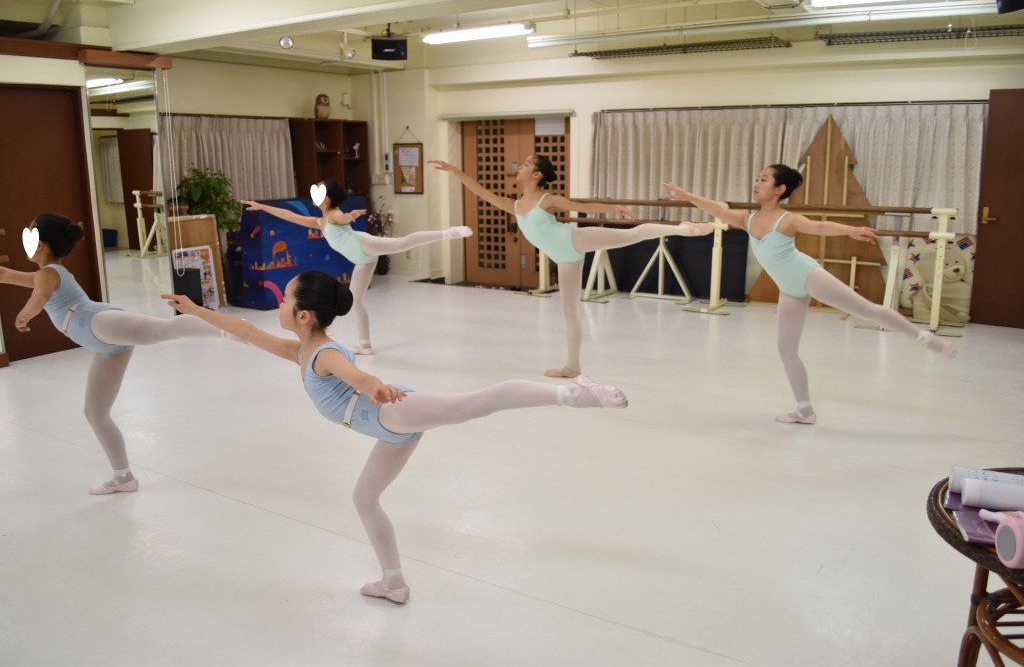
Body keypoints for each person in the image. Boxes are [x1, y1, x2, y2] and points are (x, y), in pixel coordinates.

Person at [163, 270, 627, 604]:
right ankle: (393, 582)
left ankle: (575, 394)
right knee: (364, 499)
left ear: (303, 315)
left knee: (476, 403)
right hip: (389, 430)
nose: (279, 305)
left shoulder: (323, 353)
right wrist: (197, 310)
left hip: (392, 412)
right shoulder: (300, 350)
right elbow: (245, 330)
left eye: (284, 300)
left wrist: (375, 385)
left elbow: (355, 374)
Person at [664, 165, 957, 425]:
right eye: (757, 178)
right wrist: (686, 194)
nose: (757, 183)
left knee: (866, 309)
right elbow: (716, 209)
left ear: (779, 189)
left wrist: (850, 230)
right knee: (786, 349)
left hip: (807, 275)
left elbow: (818, 226)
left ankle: (924, 338)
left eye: (764, 179)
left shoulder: (787, 219)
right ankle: (805, 411)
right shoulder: (747, 219)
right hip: (789, 289)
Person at [1, 213, 230, 494]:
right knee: (95, 413)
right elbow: (5, 275)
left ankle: (234, 329)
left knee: (161, 330)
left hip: (98, 323)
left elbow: (40, 297)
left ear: (39, 244)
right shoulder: (42, 275)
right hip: (104, 347)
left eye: (30, 234)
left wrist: (26, 313)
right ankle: (123, 477)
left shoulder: (49, 274)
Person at [430, 155, 714, 378]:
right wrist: (454, 170)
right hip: (564, 258)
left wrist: (612, 209)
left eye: (527, 164)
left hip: (574, 240)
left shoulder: (547, 200)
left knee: (631, 235)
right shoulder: (515, 205)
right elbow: (480, 191)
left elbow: (581, 206)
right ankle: (572, 367)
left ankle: (686, 229)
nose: (521, 167)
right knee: (570, 313)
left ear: (537, 174)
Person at [242, 179, 472, 355]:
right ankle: (365, 345)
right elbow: (289, 215)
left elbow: (342, 217)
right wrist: (262, 207)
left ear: (327, 199)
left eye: (319, 191)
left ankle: (448, 233)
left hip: (364, 244)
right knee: (356, 302)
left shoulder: (333, 216)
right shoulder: (320, 222)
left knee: (401, 243)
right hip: (362, 260)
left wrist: (350, 215)